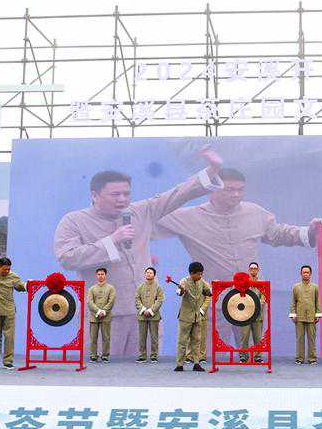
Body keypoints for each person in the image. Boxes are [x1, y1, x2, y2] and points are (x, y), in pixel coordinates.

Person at [53, 146, 223, 356]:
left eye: (126, 194)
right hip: (103, 315)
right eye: (115, 194)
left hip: (145, 313)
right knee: (102, 371)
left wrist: (212, 170)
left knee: (146, 369)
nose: (122, 199)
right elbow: (67, 257)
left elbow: (177, 194)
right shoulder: (74, 221)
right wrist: (112, 241)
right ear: (94, 195)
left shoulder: (141, 211)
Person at [154, 167, 322, 360]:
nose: (236, 194)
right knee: (206, 359)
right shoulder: (188, 217)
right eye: (230, 190)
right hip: (211, 302)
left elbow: (279, 234)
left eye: (240, 189)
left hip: (250, 299)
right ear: (212, 190)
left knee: (253, 358)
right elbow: (149, 217)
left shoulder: (255, 213)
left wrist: (311, 231)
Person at [174, 261, 211, 372]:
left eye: (201, 274)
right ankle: (179, 364)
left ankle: (196, 363)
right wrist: (181, 289)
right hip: (185, 317)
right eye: (198, 274)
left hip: (197, 317)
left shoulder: (202, 282)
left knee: (197, 341)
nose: (200, 276)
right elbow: (179, 293)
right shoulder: (184, 281)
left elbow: (208, 292)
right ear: (191, 273)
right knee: (182, 341)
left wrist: (212, 290)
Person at [290, 265, 321, 364]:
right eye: (304, 272)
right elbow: (293, 302)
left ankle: (312, 359)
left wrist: (318, 314)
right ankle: (299, 358)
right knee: (300, 338)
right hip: (299, 316)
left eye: (307, 272)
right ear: (301, 273)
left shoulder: (315, 287)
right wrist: (293, 314)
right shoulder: (296, 287)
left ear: (310, 274)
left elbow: (317, 301)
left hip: (312, 316)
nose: (306, 274)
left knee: (312, 338)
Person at [237, 261, 266, 363]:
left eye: (255, 268)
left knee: (258, 337)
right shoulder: (244, 283)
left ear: (258, 270)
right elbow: (240, 297)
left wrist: (256, 306)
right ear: (249, 270)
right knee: (244, 336)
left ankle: (257, 357)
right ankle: (243, 357)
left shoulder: (262, 283)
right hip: (246, 314)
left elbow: (263, 298)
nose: (253, 270)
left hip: (258, 314)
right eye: (251, 268)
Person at [135, 266, 164, 363]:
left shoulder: (158, 287)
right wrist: (143, 310)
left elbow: (160, 300)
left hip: (154, 316)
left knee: (154, 337)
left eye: (150, 273)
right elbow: (137, 299)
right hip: (142, 315)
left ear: (154, 275)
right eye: (147, 272)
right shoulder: (140, 287)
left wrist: (151, 310)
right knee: (142, 337)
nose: (148, 274)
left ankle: (154, 356)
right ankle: (142, 355)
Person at [87, 267, 116, 362]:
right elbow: (90, 302)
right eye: (99, 274)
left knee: (106, 337)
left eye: (102, 274)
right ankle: (93, 355)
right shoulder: (92, 288)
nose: (100, 276)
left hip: (106, 316)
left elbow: (111, 301)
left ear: (105, 275)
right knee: (93, 337)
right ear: (96, 276)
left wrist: (104, 311)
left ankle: (105, 355)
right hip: (94, 317)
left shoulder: (111, 288)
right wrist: (98, 311)